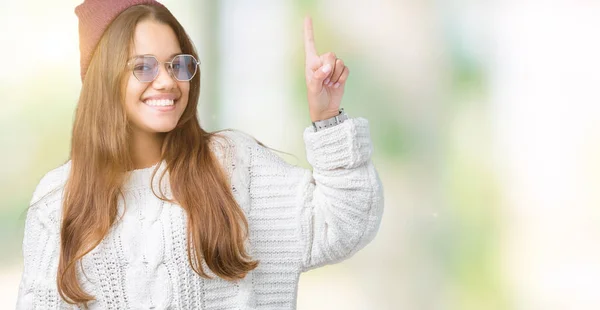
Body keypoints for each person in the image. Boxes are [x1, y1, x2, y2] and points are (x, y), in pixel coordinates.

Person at [16, 0, 384, 309]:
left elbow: (342, 225)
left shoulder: (233, 165)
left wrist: (327, 116)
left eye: (178, 64)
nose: (167, 81)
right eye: (142, 66)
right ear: (104, 78)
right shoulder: (59, 200)